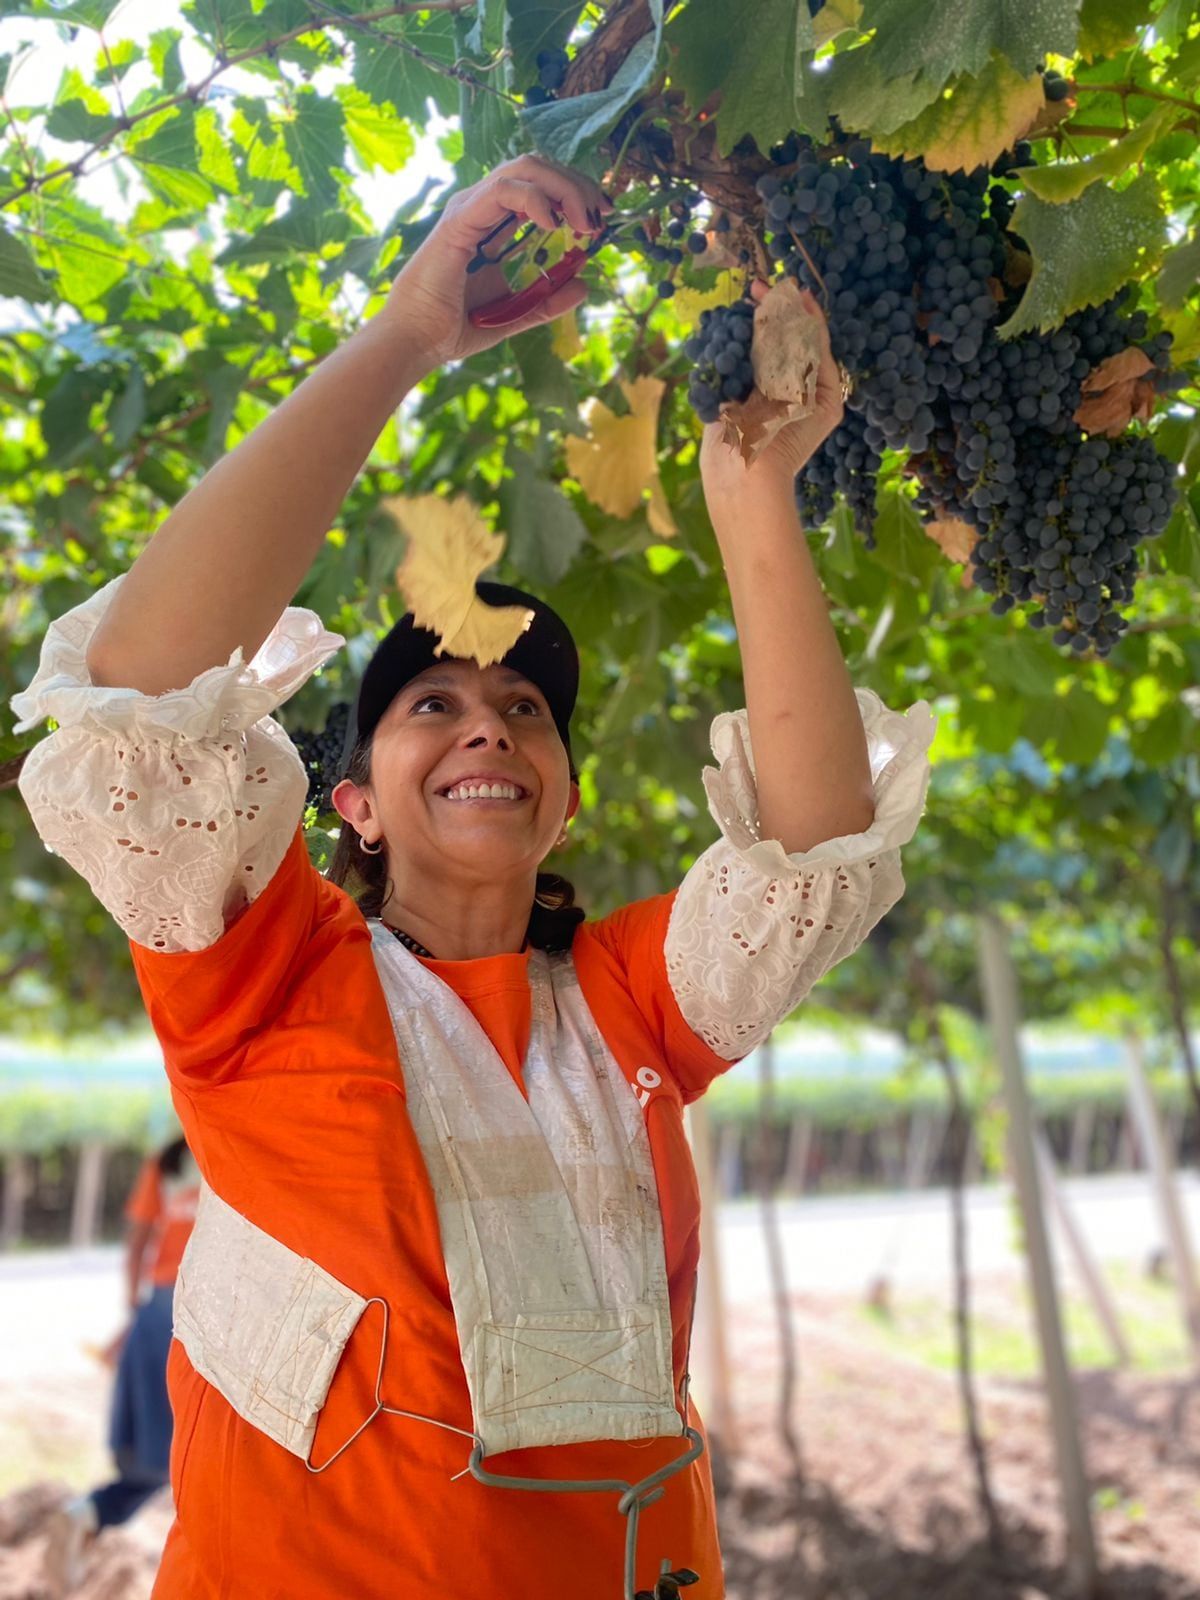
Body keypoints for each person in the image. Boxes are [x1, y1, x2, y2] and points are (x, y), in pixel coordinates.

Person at [12, 155, 936, 1600]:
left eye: (524, 712)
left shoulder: (628, 1001)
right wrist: (406, 337)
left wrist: (751, 489)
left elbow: (813, 847)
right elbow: (141, 686)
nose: (489, 722)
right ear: (352, 804)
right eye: (429, 707)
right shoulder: (263, 975)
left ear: (561, 801)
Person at [45, 1135, 199, 1594]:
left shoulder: (167, 1160)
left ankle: (89, 1514)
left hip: (158, 1308)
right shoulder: (232, 1144)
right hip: (202, 1309)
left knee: (160, 1451)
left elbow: (137, 1243)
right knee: (184, 1452)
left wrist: (134, 1316)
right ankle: (94, 1516)